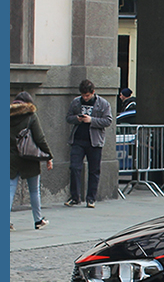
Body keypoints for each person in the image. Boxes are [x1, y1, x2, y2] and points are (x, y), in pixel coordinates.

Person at [65, 79, 112, 208]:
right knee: (74, 167)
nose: (85, 98)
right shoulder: (76, 102)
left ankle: (91, 198)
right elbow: (68, 117)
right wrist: (77, 119)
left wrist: (91, 120)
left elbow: (108, 121)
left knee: (94, 170)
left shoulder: (103, 103)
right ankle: (75, 197)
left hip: (94, 141)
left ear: (93, 92)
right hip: (78, 140)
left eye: (87, 95)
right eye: (83, 95)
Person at [10, 91, 54, 230]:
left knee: (9, 191)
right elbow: (40, 138)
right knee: (34, 191)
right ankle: (38, 220)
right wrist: (48, 156)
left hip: (10, 158)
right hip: (29, 157)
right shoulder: (31, 116)